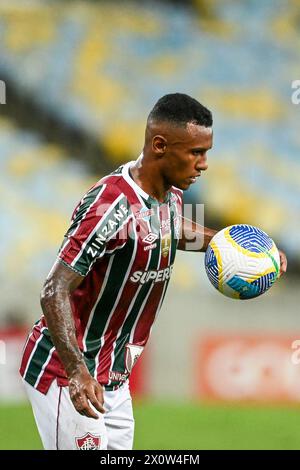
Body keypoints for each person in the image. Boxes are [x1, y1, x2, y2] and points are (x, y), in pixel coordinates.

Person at [19, 93, 287, 450]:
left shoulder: (169, 196)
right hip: (68, 375)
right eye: (196, 152)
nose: (204, 164)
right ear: (160, 145)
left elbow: (170, 231)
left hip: (112, 379)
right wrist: (77, 373)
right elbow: (54, 289)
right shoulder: (110, 207)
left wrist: (238, 247)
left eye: (206, 152)